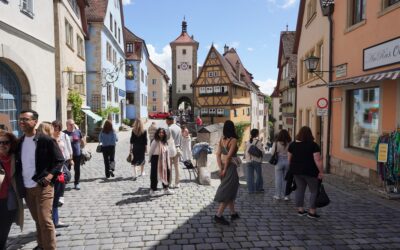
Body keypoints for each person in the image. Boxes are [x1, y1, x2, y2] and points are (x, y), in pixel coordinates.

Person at [15, 109, 65, 250]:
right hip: (27, 187)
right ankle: (42, 245)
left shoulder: (45, 140)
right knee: (38, 220)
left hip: (43, 186)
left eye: (25, 119)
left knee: (45, 220)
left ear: (35, 122)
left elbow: (59, 160)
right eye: (20, 119)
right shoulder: (20, 142)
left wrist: (49, 177)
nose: (22, 122)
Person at [288, 126, 323, 219]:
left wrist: (293, 168)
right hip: (310, 171)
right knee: (314, 191)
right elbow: (318, 160)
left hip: (296, 171)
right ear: (310, 134)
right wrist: (321, 172)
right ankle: (312, 212)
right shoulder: (313, 145)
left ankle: (300, 210)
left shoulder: (292, 145)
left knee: (300, 190)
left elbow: (289, 159)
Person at [0, 130, 23, 250]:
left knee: (5, 227)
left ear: (11, 144)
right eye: (0, 142)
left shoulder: (15, 159)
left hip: (9, 199)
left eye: (5, 142)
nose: (2, 145)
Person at [213, 120, 240, 225]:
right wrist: (224, 170)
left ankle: (233, 213)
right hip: (231, 168)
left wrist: (220, 168)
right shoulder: (233, 140)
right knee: (228, 191)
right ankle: (218, 215)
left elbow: (218, 155)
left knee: (230, 190)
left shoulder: (221, 140)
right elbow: (229, 156)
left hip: (224, 167)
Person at [51, 121, 73, 228]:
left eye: (57, 127)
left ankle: (55, 219)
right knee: (54, 196)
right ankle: (54, 221)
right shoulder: (49, 139)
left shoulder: (63, 136)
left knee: (64, 179)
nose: (56, 129)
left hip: (63, 162)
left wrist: (70, 159)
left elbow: (68, 148)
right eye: (54, 127)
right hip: (55, 167)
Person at [148, 128, 174, 196]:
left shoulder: (165, 141)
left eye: (162, 133)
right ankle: (152, 190)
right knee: (154, 175)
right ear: (157, 133)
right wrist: (149, 159)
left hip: (164, 159)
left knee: (167, 173)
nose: (161, 134)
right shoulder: (155, 141)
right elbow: (151, 151)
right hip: (156, 158)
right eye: (160, 132)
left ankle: (166, 188)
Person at [271, 129, 292, 200]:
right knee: (286, 179)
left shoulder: (276, 143)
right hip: (288, 161)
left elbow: (272, 152)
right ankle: (286, 196)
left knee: (278, 179)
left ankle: (278, 195)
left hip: (279, 161)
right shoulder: (290, 143)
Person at [63, 119, 84, 190]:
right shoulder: (64, 133)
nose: (72, 125)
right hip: (67, 155)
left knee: (77, 169)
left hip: (77, 154)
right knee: (66, 170)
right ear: (67, 125)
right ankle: (64, 183)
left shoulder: (78, 132)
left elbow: (82, 141)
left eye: (73, 124)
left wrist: (82, 148)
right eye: (71, 124)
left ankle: (76, 183)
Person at [244, 128, 264, 194]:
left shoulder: (247, 142)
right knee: (259, 175)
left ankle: (251, 190)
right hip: (256, 160)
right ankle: (258, 188)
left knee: (250, 176)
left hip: (248, 161)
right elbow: (262, 152)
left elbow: (245, 151)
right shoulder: (258, 142)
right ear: (257, 134)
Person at [166, 116, 182, 188]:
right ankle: (177, 183)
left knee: (169, 166)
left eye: (166, 121)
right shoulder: (179, 128)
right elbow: (180, 139)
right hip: (177, 148)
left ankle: (170, 183)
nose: (166, 122)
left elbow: (166, 140)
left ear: (170, 121)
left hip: (170, 149)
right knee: (177, 166)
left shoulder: (169, 128)